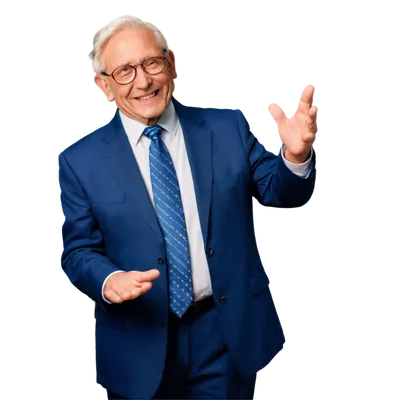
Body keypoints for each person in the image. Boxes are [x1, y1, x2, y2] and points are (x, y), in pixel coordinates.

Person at [56, 13, 319, 399]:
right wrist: (109, 280)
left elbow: (283, 194)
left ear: (172, 65)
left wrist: (296, 157)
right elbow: (77, 251)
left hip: (226, 335)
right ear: (104, 87)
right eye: (125, 71)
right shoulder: (79, 161)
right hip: (137, 342)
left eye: (151, 63)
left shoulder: (227, 126)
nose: (143, 81)